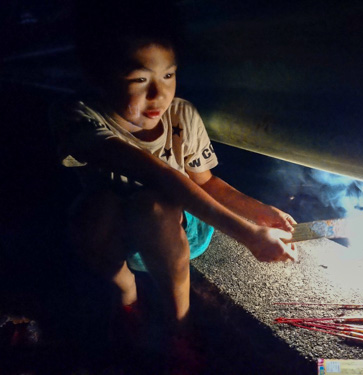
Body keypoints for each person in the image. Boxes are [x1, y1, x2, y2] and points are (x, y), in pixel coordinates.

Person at [51, 0, 296, 370]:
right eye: (139, 80)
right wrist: (248, 235)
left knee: (154, 205)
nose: (159, 94)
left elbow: (206, 182)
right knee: (92, 208)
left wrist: (258, 211)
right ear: (98, 76)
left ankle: (178, 325)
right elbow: (160, 174)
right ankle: (127, 298)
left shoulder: (183, 115)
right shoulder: (79, 117)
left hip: (178, 233)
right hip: (118, 236)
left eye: (168, 75)